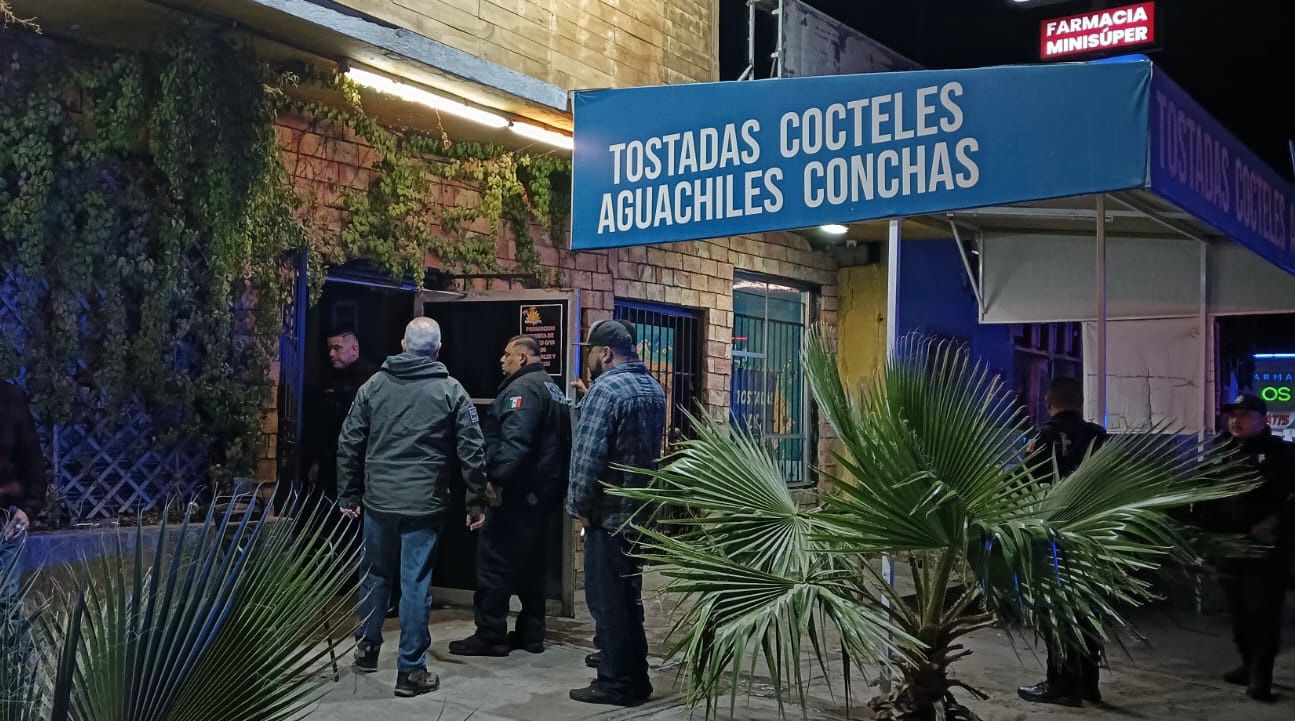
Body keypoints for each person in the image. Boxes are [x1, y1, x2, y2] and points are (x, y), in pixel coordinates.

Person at [336, 317, 487, 698]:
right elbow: (472, 449)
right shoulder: (451, 390)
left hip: (379, 501)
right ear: (438, 349)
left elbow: (349, 440)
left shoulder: (374, 385)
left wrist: (349, 494)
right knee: (415, 584)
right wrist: (475, 500)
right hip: (424, 503)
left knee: (374, 575)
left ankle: (367, 650)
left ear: (403, 344)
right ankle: (410, 670)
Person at [449, 336, 570, 657]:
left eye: (508, 355)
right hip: (542, 495)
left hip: (517, 494)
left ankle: (491, 635)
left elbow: (516, 441)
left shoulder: (523, 390)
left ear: (523, 357)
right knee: (533, 568)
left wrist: (496, 479)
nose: (502, 360)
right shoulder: (551, 387)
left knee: (494, 564)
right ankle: (532, 633)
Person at [566, 319, 666, 707]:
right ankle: (636, 678)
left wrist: (579, 507)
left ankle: (615, 682)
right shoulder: (653, 388)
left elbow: (588, 457)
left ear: (605, 353)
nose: (589, 359)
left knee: (607, 602)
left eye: (591, 351)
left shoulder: (606, 390)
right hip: (639, 514)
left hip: (607, 515)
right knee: (629, 601)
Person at [1018, 377, 1108, 708]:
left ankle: (1060, 685)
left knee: (1056, 610)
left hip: (1056, 534)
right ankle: (1087, 683)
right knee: (1086, 609)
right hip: (1092, 534)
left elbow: (1023, 479)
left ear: (1048, 402)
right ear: (1081, 403)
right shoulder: (1098, 435)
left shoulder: (1045, 436)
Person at [1200, 394, 1295, 702]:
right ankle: (1246, 662)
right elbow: (1206, 493)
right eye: (1232, 415)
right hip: (1229, 547)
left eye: (1244, 415)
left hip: (1265, 550)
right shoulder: (1221, 451)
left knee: (1263, 613)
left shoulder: (1283, 454)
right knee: (1238, 611)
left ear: (1262, 420)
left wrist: (1274, 523)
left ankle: (1261, 677)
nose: (1235, 420)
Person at [304, 329, 377, 502]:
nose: (331, 354)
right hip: (330, 461)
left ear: (354, 349)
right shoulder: (327, 377)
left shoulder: (372, 380)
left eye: (337, 348)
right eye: (330, 348)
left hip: (359, 464)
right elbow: (319, 424)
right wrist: (316, 460)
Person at [1, 381, 45, 617]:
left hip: (5, 523)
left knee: (6, 607)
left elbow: (32, 460)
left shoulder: (10, 398)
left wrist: (29, 509)